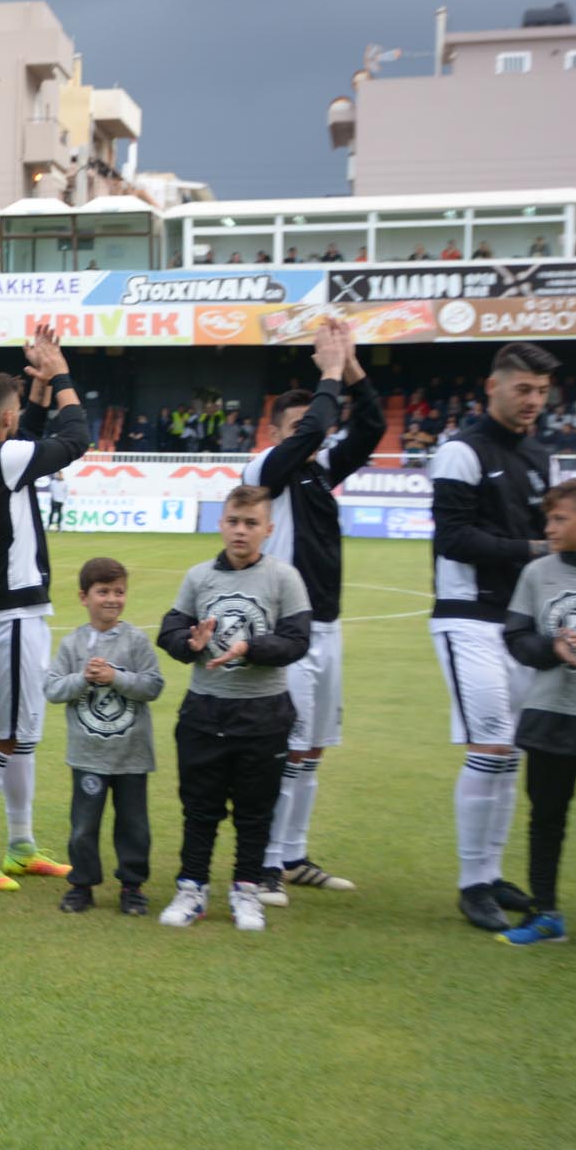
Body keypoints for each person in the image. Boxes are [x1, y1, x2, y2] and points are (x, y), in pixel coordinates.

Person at [0, 322, 91, 888]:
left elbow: (21, 437)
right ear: (3, 421)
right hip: (8, 613)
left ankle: (21, 844)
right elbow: (76, 440)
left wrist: (34, 391)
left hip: (14, 610)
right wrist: (62, 377)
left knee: (24, 732)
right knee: (1, 735)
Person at [240, 320, 384, 903]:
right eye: (296, 429)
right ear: (276, 433)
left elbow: (369, 427)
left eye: (312, 428)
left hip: (328, 625)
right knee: (287, 746)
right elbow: (315, 430)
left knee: (314, 747)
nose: (310, 436)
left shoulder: (322, 471)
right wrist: (326, 375)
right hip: (282, 628)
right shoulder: (263, 474)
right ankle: (268, 862)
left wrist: (351, 370)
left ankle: (294, 855)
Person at [430, 342, 560, 932]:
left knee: (510, 754)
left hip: (518, 622)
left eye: (541, 391)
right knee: (491, 748)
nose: (533, 401)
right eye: (523, 389)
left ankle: (490, 872)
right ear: (493, 386)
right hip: (466, 615)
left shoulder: (539, 455)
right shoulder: (460, 451)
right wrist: (535, 549)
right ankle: (470, 883)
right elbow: (454, 538)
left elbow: (552, 540)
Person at [155, 485, 313, 932]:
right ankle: (192, 889)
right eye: (233, 521)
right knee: (199, 807)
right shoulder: (199, 577)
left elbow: (298, 640)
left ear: (268, 529)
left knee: (254, 810)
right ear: (221, 524)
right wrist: (190, 642)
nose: (240, 531)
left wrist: (251, 647)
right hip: (205, 711)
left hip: (264, 713)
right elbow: (168, 631)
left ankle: (247, 891)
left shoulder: (284, 578)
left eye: (250, 524)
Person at [46, 557, 163, 916]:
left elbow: (153, 685)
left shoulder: (135, 641)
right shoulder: (72, 644)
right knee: (84, 825)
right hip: (88, 756)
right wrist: (84, 677)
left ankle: (132, 886)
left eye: (119, 592)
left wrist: (116, 678)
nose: (112, 599)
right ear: (84, 597)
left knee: (133, 825)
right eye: (103, 592)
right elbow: (52, 689)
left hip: (131, 755)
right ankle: (82, 884)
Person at [496, 479, 576, 944]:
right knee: (546, 818)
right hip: (550, 714)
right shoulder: (537, 574)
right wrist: (554, 648)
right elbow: (516, 639)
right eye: (547, 518)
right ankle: (545, 913)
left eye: (559, 518)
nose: (547, 527)